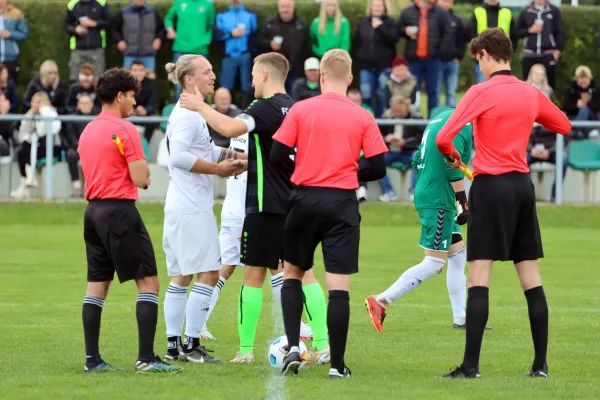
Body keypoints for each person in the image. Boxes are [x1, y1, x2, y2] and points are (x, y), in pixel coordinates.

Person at [435, 28, 571, 379]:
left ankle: (470, 367)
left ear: (485, 54)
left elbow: (443, 138)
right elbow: (565, 126)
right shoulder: (530, 92)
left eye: (477, 59)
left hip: (490, 186)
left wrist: (456, 160)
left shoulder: (481, 92)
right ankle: (540, 366)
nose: (478, 67)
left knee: (479, 274)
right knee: (531, 276)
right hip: (522, 186)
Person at [179, 52, 330, 365]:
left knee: (252, 276)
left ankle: (245, 351)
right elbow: (279, 156)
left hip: (265, 206)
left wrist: (200, 106)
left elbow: (233, 128)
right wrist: (248, 163)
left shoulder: (263, 107)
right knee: (305, 274)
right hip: (297, 202)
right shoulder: (298, 107)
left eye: (252, 74)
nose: (249, 81)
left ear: (264, 75)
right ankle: (324, 344)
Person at [272, 49, 388, 378]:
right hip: (342, 201)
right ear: (350, 79)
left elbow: (277, 154)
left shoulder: (301, 109)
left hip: (304, 198)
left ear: (321, 76)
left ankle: (293, 347)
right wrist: (350, 172)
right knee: (339, 287)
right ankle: (337, 365)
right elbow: (378, 166)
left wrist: (305, 167)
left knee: (293, 273)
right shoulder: (362, 115)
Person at [77, 67, 183, 374]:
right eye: (133, 96)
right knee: (148, 281)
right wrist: (145, 176)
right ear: (120, 95)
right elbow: (141, 178)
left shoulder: (88, 130)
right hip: (120, 211)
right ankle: (147, 358)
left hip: (93, 211)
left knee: (96, 286)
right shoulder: (125, 130)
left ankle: (92, 360)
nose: (134, 103)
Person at [366, 108, 491, 331]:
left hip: (432, 193)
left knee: (458, 256)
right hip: (438, 199)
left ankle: (461, 318)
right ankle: (382, 300)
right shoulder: (463, 126)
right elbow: (452, 166)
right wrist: (464, 204)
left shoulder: (440, 118)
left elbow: (416, 159)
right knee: (434, 263)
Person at [161, 55, 247, 364]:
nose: (213, 76)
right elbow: (180, 157)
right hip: (191, 209)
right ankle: (191, 345)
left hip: (181, 207)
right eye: (207, 72)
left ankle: (174, 345)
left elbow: (200, 148)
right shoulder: (188, 114)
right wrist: (217, 170)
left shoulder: (189, 112)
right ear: (189, 80)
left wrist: (236, 156)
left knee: (181, 276)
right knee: (209, 272)